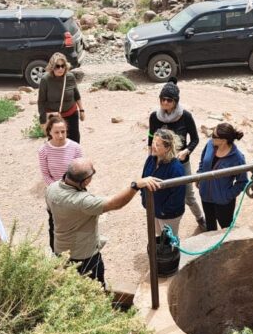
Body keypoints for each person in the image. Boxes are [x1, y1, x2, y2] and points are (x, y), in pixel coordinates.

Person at [46, 157, 161, 286]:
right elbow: (115, 203)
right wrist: (135, 185)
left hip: (61, 249)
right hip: (84, 256)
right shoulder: (82, 202)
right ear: (86, 181)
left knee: (72, 286)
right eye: (92, 173)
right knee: (97, 288)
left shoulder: (52, 188)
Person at [147, 79, 206, 229]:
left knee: (188, 195)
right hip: (161, 162)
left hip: (181, 162)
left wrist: (186, 151)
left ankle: (200, 218)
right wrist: (150, 158)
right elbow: (150, 137)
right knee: (161, 193)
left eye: (169, 100)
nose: (165, 103)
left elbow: (195, 139)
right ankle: (162, 224)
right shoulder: (155, 116)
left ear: (176, 101)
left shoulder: (185, 116)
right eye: (162, 99)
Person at [38, 115, 83, 249]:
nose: (60, 135)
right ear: (49, 132)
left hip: (75, 192)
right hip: (55, 194)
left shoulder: (75, 147)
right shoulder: (43, 150)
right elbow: (45, 175)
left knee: (78, 225)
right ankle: (56, 255)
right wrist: (58, 190)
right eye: (56, 132)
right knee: (55, 226)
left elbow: (81, 172)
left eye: (63, 131)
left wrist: (70, 190)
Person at [196, 123, 248, 231]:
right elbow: (203, 161)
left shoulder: (237, 158)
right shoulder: (210, 144)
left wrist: (227, 195)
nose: (211, 137)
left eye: (214, 136)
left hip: (223, 202)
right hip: (205, 196)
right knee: (210, 226)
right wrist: (200, 175)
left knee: (226, 228)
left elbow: (242, 182)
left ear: (224, 140)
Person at [141, 129, 187, 237]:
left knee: (170, 240)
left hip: (168, 215)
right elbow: (144, 178)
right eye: (153, 143)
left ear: (168, 148)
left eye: (157, 145)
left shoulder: (176, 169)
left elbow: (177, 197)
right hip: (153, 209)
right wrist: (144, 199)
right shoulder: (151, 159)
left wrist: (163, 211)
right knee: (159, 235)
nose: (153, 146)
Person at [38, 52, 84, 143]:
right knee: (56, 142)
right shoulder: (45, 80)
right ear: (52, 67)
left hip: (71, 114)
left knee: (74, 141)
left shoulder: (70, 77)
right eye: (57, 66)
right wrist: (43, 120)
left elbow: (76, 95)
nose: (61, 69)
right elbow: (41, 101)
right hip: (55, 118)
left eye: (63, 66)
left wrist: (82, 110)